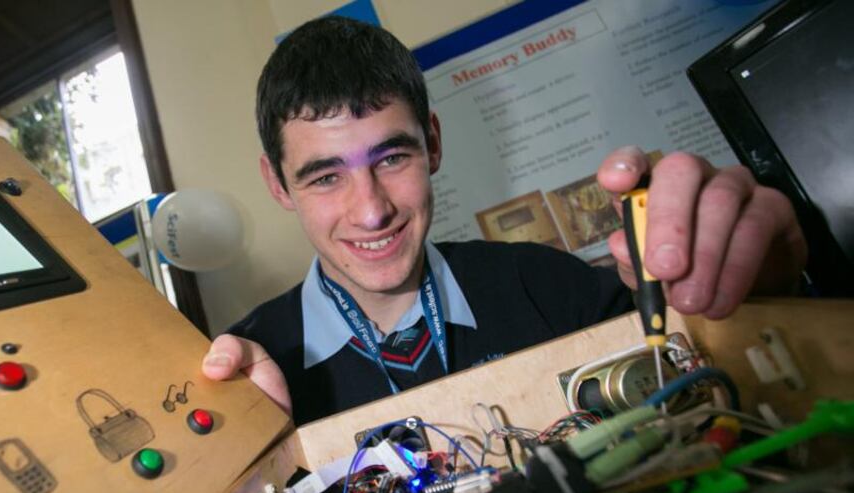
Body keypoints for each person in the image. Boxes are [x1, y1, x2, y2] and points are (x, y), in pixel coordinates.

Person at [201, 16, 807, 426]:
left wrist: (767, 293)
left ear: (432, 144)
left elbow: (710, 367)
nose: (371, 210)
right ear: (278, 184)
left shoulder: (545, 282)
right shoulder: (255, 369)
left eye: (392, 157)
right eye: (325, 176)